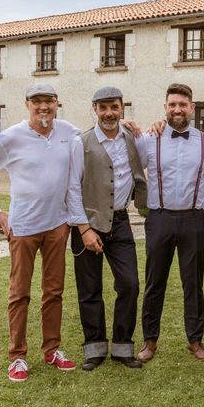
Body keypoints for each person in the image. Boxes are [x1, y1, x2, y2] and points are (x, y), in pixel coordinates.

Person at [0, 83, 78, 382]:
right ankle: (17, 356)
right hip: (24, 226)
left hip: (58, 224)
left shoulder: (68, 132)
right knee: (19, 293)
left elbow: (96, 143)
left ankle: (52, 350)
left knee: (54, 292)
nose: (43, 107)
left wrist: (131, 126)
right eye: (37, 101)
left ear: (57, 104)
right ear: (26, 104)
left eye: (49, 101)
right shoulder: (10, 138)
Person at [136, 83, 204, 363]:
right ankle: (150, 341)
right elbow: (130, 170)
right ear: (165, 108)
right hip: (159, 218)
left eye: (182, 105)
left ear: (192, 108)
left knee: (193, 283)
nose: (177, 110)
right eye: (172, 105)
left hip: (193, 220)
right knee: (154, 282)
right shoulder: (150, 139)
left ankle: (195, 340)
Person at [67, 86, 147, 371]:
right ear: (94, 110)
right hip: (88, 223)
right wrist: (84, 229)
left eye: (114, 107)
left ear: (122, 107)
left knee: (130, 284)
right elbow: (72, 189)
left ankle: (123, 347)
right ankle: (95, 348)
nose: (109, 113)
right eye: (103, 108)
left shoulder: (132, 139)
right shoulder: (81, 142)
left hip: (121, 221)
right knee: (89, 288)